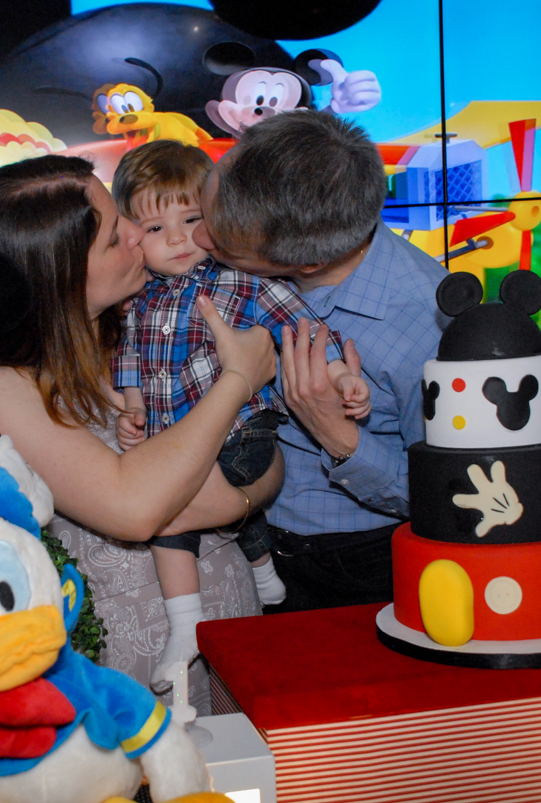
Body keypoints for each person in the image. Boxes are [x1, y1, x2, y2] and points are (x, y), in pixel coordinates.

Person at [0, 154, 281, 709]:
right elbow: (134, 507)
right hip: (130, 673)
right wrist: (239, 378)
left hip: (230, 629)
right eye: (112, 237)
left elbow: (266, 454)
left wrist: (241, 495)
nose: (136, 233)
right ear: (56, 275)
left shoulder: (144, 326)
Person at [109, 140, 371, 688]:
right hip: (183, 439)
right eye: (156, 229)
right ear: (132, 237)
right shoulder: (137, 302)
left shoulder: (242, 283)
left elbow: (303, 329)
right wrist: (132, 407)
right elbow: (129, 359)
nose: (179, 238)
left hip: (244, 431)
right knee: (190, 489)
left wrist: (344, 377)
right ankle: (262, 570)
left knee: (169, 519)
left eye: (192, 219)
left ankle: (187, 627)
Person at [192, 110, 450, 612]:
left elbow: (446, 499)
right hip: (251, 542)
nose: (198, 241)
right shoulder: (279, 251)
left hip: (359, 567)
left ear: (306, 262)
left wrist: (337, 434)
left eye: (222, 245)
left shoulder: (429, 324)